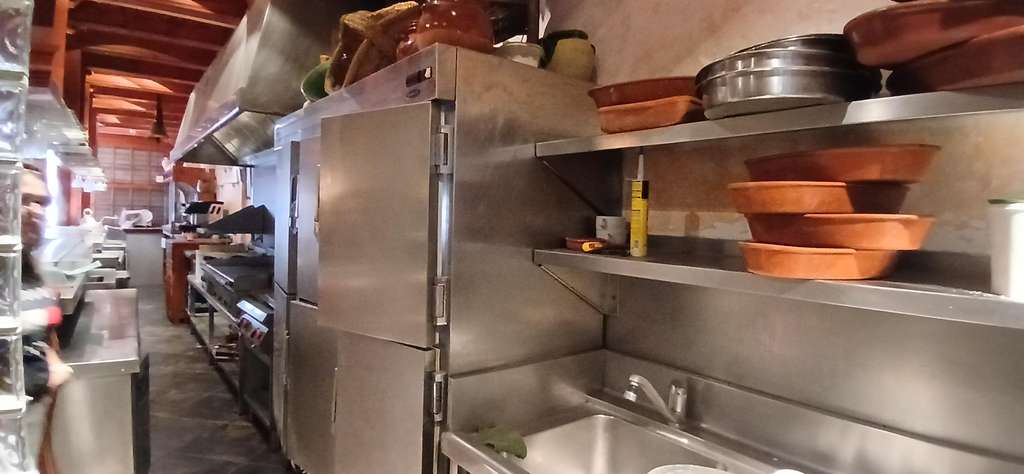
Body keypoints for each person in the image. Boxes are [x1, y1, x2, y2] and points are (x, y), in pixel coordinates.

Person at [18, 164, 72, 473]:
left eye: (41, 202)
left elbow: (41, 340)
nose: (35, 211)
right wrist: (41, 378)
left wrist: (50, 361)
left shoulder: (29, 269)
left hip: (27, 436)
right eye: (24, 200)